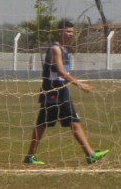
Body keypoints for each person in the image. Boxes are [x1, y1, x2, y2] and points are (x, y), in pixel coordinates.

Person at [24, 19, 109, 165]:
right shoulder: (56, 49)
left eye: (72, 32)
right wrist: (79, 84)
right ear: (60, 32)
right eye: (68, 31)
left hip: (61, 91)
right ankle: (30, 156)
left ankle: (90, 154)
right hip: (53, 91)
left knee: (72, 121)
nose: (70, 34)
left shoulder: (65, 50)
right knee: (45, 123)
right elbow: (62, 72)